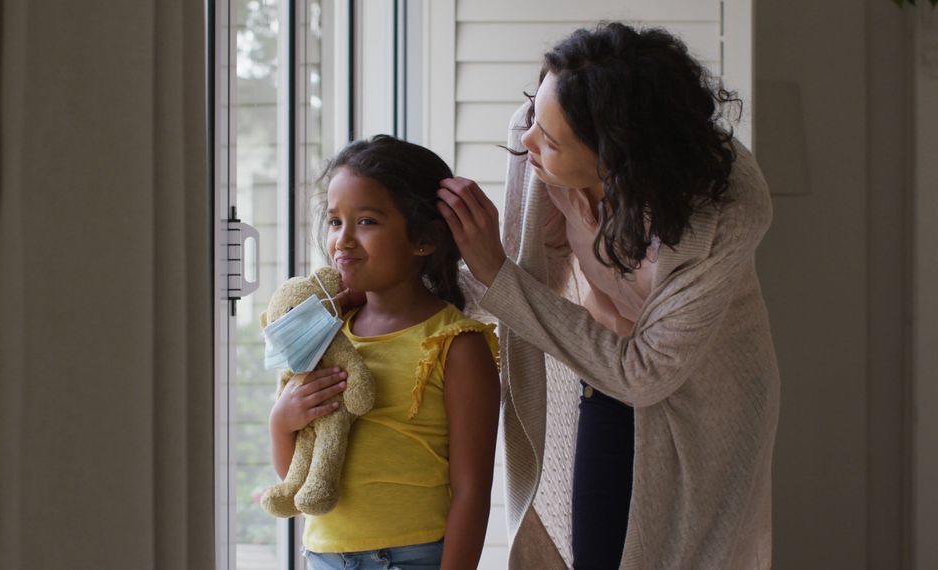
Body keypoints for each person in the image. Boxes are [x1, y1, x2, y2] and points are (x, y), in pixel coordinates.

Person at [435, 23, 780, 569]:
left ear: (617, 157)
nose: (528, 143)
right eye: (535, 117)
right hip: (602, 371)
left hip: (707, 394)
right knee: (591, 551)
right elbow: (527, 277)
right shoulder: (537, 136)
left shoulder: (728, 205)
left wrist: (493, 273)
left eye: (550, 141)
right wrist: (389, 286)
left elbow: (645, 373)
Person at [267, 135, 501, 570]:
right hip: (323, 556)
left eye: (367, 222)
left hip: (408, 559)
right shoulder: (323, 336)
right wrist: (282, 420)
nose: (343, 241)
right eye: (335, 222)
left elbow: (472, 490)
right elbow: (298, 475)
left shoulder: (457, 344)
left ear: (424, 241)